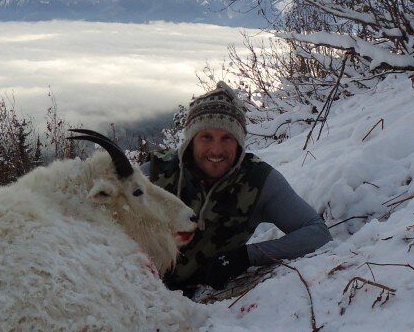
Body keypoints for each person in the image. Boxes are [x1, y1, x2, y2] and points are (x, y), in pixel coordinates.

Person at [142, 81, 332, 293]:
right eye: (206, 137)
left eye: (227, 138)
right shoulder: (152, 175)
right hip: (135, 288)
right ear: (190, 141)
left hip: (201, 303)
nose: (216, 150)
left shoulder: (258, 181)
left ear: (239, 143)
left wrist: (246, 256)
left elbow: (318, 233)